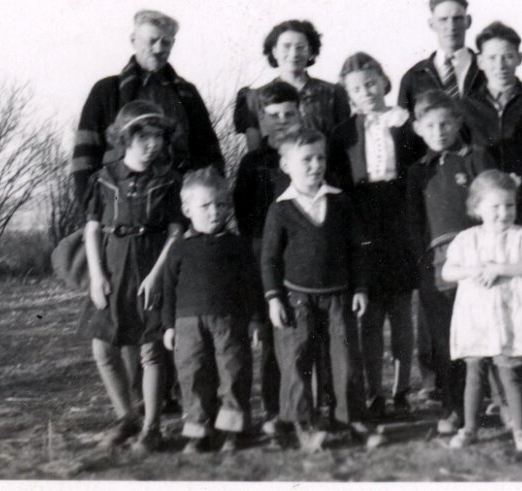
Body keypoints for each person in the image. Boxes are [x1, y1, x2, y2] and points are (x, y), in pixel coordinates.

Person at [460, 22, 522, 408]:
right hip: (484, 220)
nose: (500, 64)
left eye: (507, 56)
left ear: (519, 57)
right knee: (489, 298)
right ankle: (499, 394)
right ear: (479, 61)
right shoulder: (466, 108)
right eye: (491, 57)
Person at [260, 129, 378, 451]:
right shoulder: (280, 209)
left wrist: (361, 288)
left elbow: (358, 249)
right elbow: (269, 259)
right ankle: (301, 423)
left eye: (320, 158)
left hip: (338, 295)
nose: (315, 165)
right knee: (297, 360)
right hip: (295, 299)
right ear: (286, 165)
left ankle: (350, 419)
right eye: (306, 160)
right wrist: (274, 298)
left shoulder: (340, 201)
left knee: (345, 359)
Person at [79, 101, 183, 452]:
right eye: (143, 137)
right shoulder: (104, 178)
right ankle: (127, 417)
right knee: (103, 347)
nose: (153, 144)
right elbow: (92, 229)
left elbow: (176, 232)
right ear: (125, 138)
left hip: (152, 266)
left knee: (150, 351)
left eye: (158, 136)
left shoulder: (169, 180)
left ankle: (152, 427)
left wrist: (157, 275)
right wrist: (96, 275)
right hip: (113, 266)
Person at [329, 52, 424, 419]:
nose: (366, 92)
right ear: (348, 94)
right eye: (356, 88)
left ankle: (402, 391)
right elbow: (339, 185)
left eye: (371, 84)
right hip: (364, 224)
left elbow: (419, 172)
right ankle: (375, 393)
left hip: (400, 222)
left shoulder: (407, 124)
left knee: (401, 312)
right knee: (369, 316)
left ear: (384, 81)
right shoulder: (342, 134)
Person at [406, 91, 497, 434]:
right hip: (438, 265)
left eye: (445, 123)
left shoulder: (475, 157)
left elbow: (493, 205)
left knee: (487, 330)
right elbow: (415, 223)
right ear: (418, 129)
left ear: (458, 122)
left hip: (478, 258)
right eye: (430, 125)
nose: (439, 131)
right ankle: (454, 406)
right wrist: (423, 263)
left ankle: (499, 401)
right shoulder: (418, 171)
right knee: (447, 338)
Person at [71, 10, 225, 208]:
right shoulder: (106, 91)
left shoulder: (186, 94)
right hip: (119, 203)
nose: (159, 48)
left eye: (166, 42)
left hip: (176, 202)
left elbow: (209, 153)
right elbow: (84, 157)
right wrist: (92, 209)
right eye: (152, 41)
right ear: (133, 40)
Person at [161, 169, 264, 453]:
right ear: (187, 210)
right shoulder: (179, 248)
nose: (214, 212)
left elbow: (252, 285)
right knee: (193, 375)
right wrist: (168, 325)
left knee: (234, 372)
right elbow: (168, 289)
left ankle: (232, 430)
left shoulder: (238, 246)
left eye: (221, 204)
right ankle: (198, 431)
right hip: (188, 324)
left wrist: (256, 319)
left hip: (230, 321)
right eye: (205, 205)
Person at [441, 171, 522, 452]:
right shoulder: (466, 239)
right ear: (477, 208)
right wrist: (473, 270)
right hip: (475, 318)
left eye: (509, 205)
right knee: (474, 374)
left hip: (508, 317)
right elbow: (447, 272)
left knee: (510, 374)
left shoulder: (521, 237)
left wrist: (499, 269)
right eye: (495, 206)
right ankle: (469, 428)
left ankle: (521, 429)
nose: (503, 213)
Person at [231, 79, 302, 431]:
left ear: (300, 114)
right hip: (264, 254)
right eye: (274, 115)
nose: (282, 121)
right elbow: (244, 217)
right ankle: (274, 409)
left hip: (302, 254)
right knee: (273, 333)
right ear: (261, 119)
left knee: (305, 332)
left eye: (289, 114)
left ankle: (306, 405)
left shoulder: (309, 153)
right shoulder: (252, 163)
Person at [233, 20, 353, 154]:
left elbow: (344, 146)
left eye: (300, 47)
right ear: (274, 51)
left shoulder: (333, 93)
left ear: (311, 51)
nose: (294, 53)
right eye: (286, 46)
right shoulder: (254, 98)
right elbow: (254, 153)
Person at [398, 0, 486, 110]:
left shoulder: (488, 69)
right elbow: (404, 120)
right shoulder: (414, 76)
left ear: (468, 21)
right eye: (443, 20)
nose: (451, 26)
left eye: (457, 19)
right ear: (431, 24)